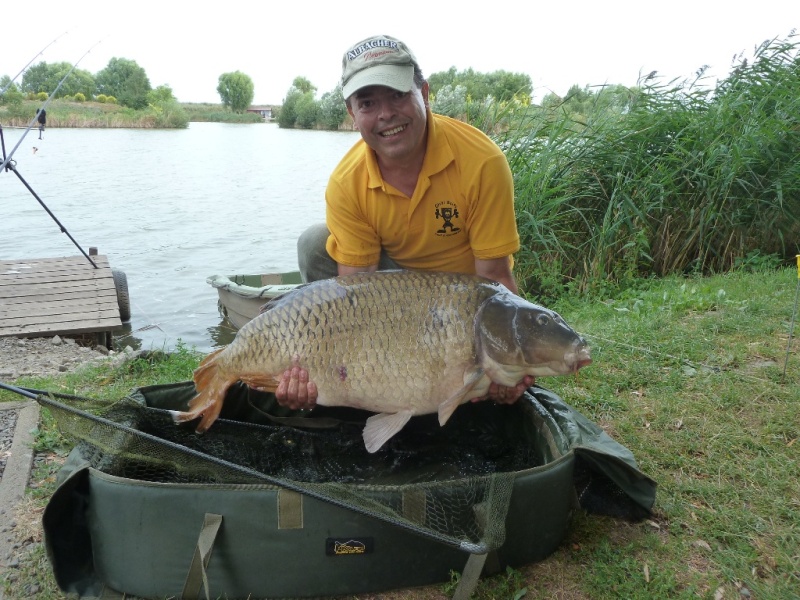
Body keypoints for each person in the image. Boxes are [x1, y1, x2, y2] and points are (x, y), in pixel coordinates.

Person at [277, 34, 532, 409]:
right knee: (315, 243)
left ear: (423, 93)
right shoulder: (347, 183)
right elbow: (357, 297)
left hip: (461, 305)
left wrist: (507, 359)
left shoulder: (482, 162)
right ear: (352, 113)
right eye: (368, 103)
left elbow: (495, 278)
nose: (386, 114)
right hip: (390, 294)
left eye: (397, 95)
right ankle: (363, 381)